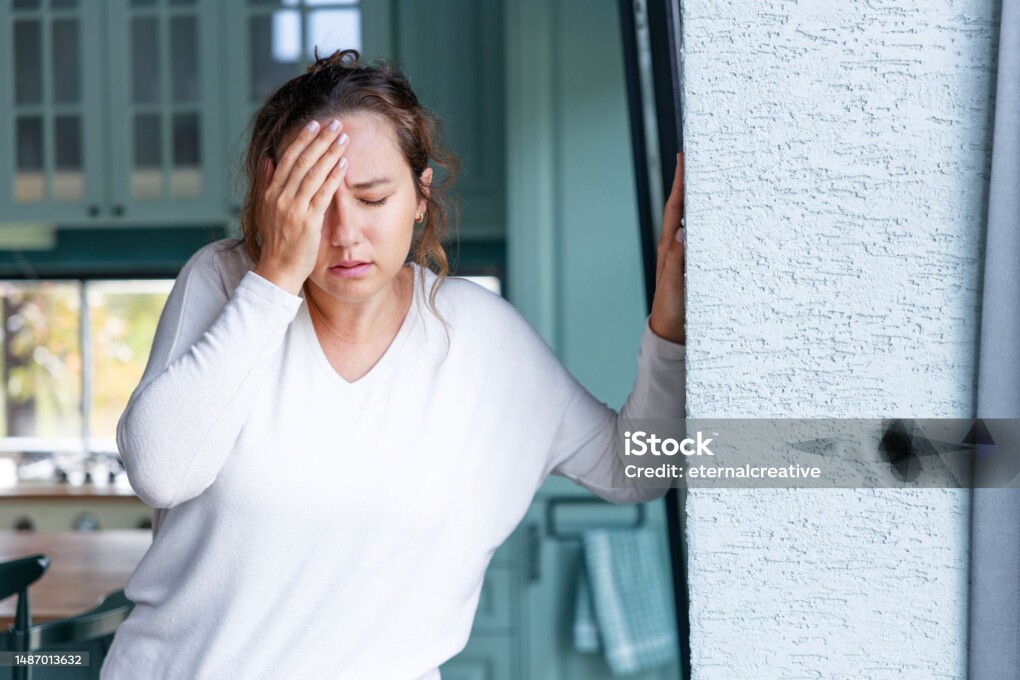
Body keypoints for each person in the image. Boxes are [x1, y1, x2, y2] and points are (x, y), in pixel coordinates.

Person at [100, 48, 687, 680]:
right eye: (315, 203)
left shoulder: (479, 336)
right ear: (275, 199)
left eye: (373, 198)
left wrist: (672, 329)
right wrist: (273, 279)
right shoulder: (226, 282)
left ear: (418, 195)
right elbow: (158, 472)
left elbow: (639, 467)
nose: (345, 233)